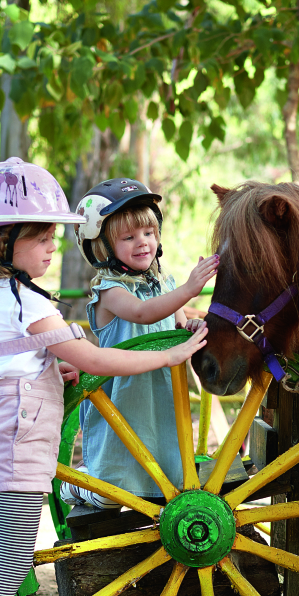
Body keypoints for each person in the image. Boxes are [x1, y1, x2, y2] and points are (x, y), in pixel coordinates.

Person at [0, 160, 208, 596]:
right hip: (20, 443)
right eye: (40, 238)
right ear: (2, 240)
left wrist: (42, 364)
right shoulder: (28, 302)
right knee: (10, 560)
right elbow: (91, 357)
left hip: (2, 436)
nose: (49, 249)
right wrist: (168, 354)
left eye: (52, 237)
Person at [61, 179, 217, 509]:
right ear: (103, 247)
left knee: (167, 477)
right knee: (112, 494)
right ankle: (77, 487)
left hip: (161, 392)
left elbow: (173, 321)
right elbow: (143, 312)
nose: (142, 242)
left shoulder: (166, 284)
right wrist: (190, 288)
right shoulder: (110, 290)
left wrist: (189, 323)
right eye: (128, 237)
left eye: (148, 232)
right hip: (123, 396)